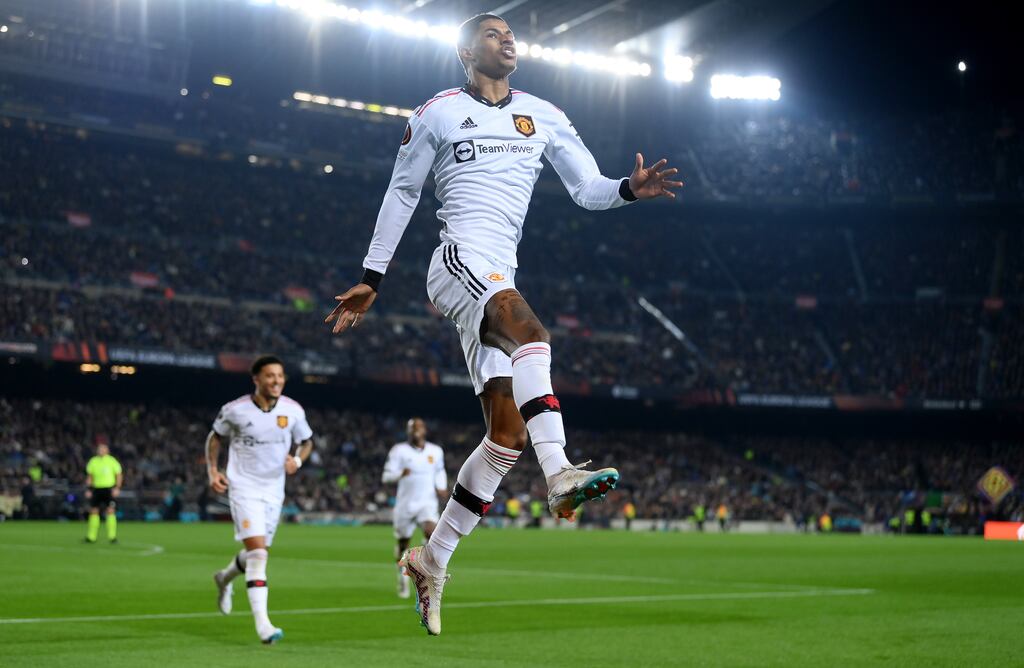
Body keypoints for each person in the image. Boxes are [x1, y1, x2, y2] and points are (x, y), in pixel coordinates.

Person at [325, 13, 682, 636]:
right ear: (466, 51)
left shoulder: (544, 114)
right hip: (458, 262)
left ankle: (430, 559)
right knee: (534, 333)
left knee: (505, 438)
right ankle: (561, 471)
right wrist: (372, 276)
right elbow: (403, 192)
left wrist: (628, 188)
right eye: (492, 33)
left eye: (511, 32)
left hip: (497, 277)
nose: (507, 39)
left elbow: (587, 189)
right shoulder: (435, 111)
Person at [205, 355, 314, 645]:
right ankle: (264, 625)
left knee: (258, 551)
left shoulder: (293, 411)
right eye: (269, 376)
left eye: (280, 376)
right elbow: (215, 438)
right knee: (259, 555)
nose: (276, 380)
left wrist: (298, 462)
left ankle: (225, 578)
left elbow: (306, 442)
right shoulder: (235, 410)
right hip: (243, 487)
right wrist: (213, 471)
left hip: (274, 490)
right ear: (256, 379)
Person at [381, 418, 447, 599]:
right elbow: (386, 476)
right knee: (403, 544)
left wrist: (441, 486)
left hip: (427, 503)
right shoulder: (399, 451)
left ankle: (424, 573)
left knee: (431, 533)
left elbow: (439, 470)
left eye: (417, 428)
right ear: (408, 432)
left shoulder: (436, 451)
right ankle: (402, 578)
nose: (415, 432)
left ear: (424, 430)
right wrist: (400, 473)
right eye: (411, 429)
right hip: (405, 505)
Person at [83, 443, 122, 544]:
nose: (100, 450)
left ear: (107, 450)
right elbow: (90, 477)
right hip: (96, 489)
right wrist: (88, 489)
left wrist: (117, 488)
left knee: (110, 511)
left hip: (109, 489)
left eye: (102, 449)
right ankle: (91, 537)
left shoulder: (112, 461)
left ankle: (112, 537)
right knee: (94, 511)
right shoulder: (93, 461)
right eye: (99, 449)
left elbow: (118, 475)